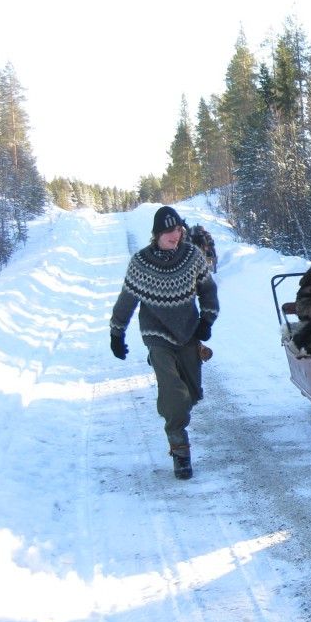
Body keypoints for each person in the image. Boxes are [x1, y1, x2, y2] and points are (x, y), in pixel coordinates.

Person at [109, 205, 219, 480]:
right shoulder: (141, 263)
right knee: (174, 396)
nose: (175, 235)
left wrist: (207, 319)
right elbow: (126, 300)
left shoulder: (192, 256)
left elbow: (208, 290)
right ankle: (180, 451)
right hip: (157, 335)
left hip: (188, 333)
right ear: (157, 233)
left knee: (191, 394)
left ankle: (178, 419)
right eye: (169, 231)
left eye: (178, 230)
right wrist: (116, 333)